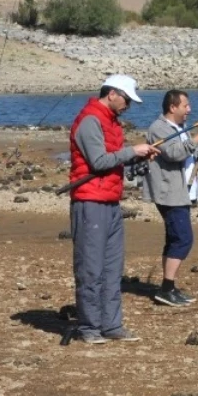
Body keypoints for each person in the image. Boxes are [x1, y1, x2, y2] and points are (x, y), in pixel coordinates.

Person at [68, 74, 158, 344]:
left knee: (112, 268)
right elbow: (98, 161)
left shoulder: (111, 122)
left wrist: (136, 157)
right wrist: (133, 151)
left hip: (110, 202)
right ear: (112, 94)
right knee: (91, 269)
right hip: (89, 202)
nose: (128, 105)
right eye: (127, 99)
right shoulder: (90, 121)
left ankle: (112, 325)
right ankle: (89, 327)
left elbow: (113, 162)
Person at [142, 89, 198, 307]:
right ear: (172, 107)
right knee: (183, 239)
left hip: (182, 191)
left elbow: (184, 156)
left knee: (174, 238)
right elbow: (173, 153)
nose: (189, 110)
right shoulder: (158, 128)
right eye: (186, 106)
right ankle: (166, 288)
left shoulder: (181, 128)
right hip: (169, 193)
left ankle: (169, 287)